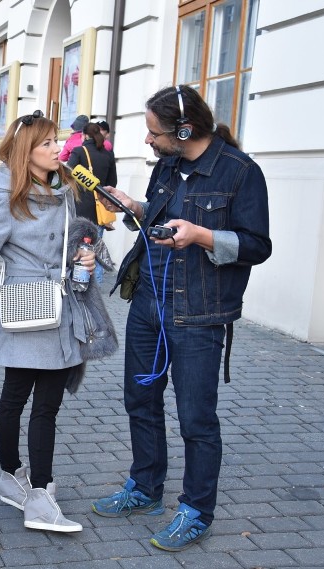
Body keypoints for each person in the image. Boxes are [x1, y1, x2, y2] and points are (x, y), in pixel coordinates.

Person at [90, 85, 272, 551]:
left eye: (153, 132)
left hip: (200, 314)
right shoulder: (168, 166)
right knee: (140, 400)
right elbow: (160, 217)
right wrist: (133, 207)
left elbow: (257, 246)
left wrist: (203, 236)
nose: (148, 140)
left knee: (196, 419)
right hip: (149, 301)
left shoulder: (240, 173)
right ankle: (146, 488)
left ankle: (196, 510)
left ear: (184, 130)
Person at [0, 110, 101, 534]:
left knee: (44, 405)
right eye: (48, 143)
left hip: (62, 305)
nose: (59, 149)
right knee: (18, 399)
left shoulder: (66, 189)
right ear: (26, 152)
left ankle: (24, 484)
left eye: (58, 141)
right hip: (27, 305)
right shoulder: (8, 196)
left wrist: (85, 255)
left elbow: (79, 237)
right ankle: (32, 491)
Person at [67, 122, 119, 282]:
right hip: (99, 207)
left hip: (80, 205)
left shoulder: (79, 152)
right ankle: (95, 284)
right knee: (95, 246)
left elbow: (67, 174)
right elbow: (112, 182)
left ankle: (78, 280)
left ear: (84, 135)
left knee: (77, 246)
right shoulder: (108, 155)